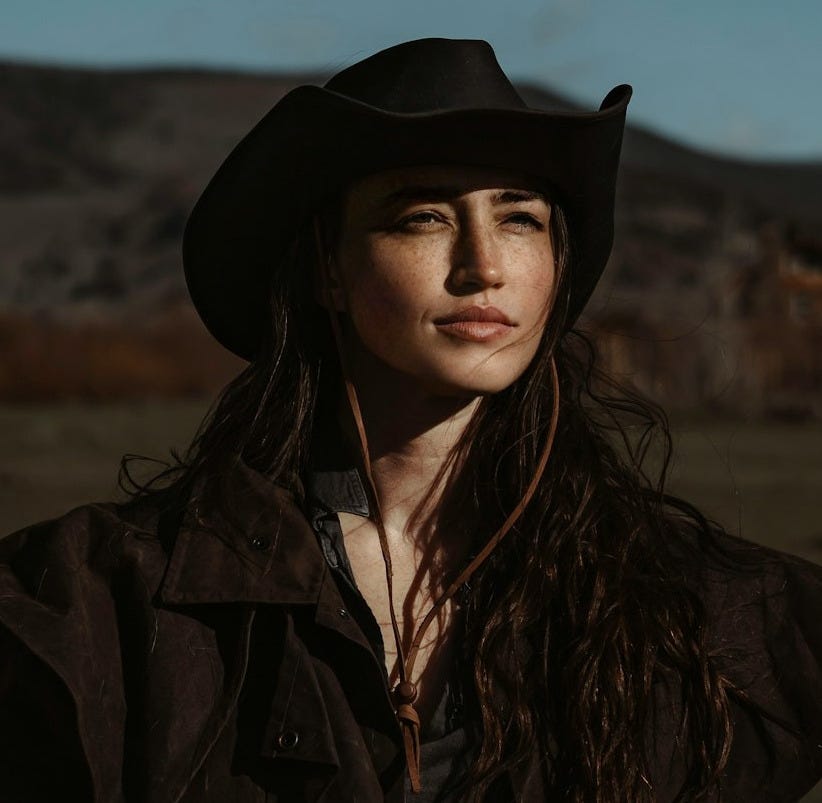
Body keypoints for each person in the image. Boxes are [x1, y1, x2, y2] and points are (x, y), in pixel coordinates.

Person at [1, 37, 821, 803]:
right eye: (422, 216)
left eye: (520, 217)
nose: (485, 266)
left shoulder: (686, 603)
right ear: (328, 265)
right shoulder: (99, 600)